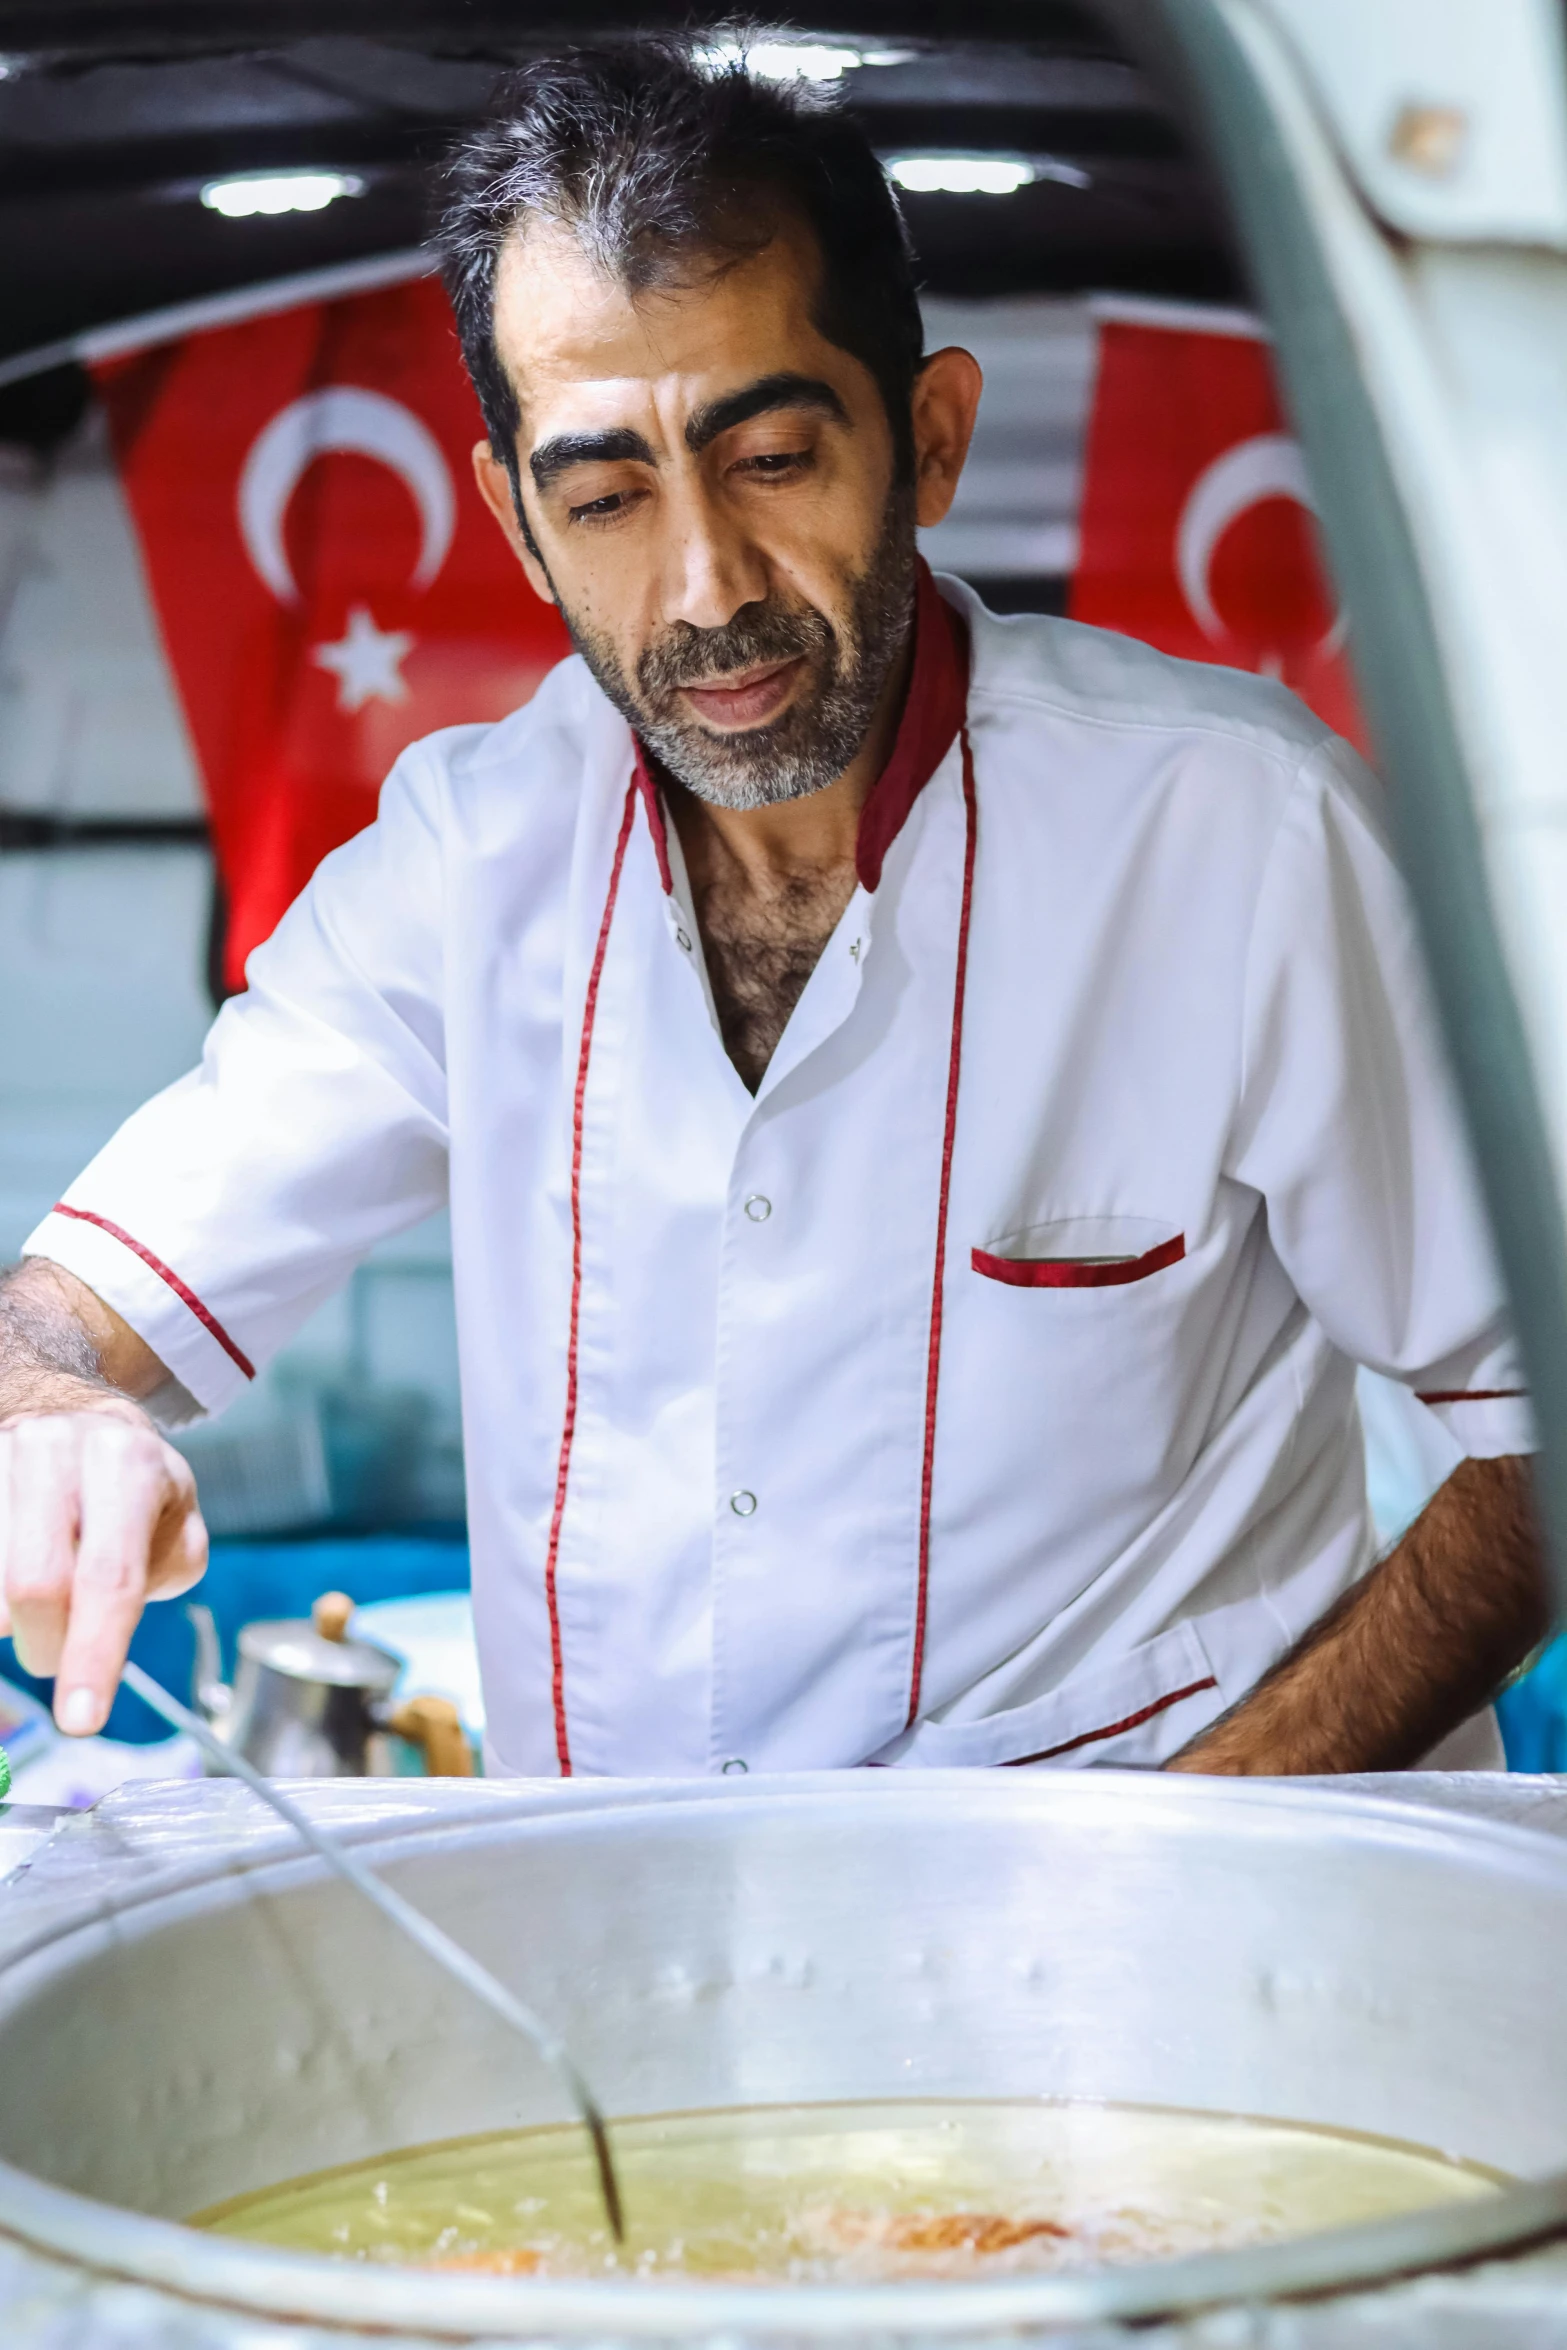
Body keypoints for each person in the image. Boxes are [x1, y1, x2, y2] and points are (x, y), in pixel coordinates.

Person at [0, 40, 1546, 1778]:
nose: (704, 588)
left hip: (1171, 1975)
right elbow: (53, 1318)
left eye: (773, 460)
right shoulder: (459, 867)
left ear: (928, 437)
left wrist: (1199, 1845)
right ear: (516, 523)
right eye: (604, 496)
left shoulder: (1238, 835)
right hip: (631, 1970)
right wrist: (53, 1413)